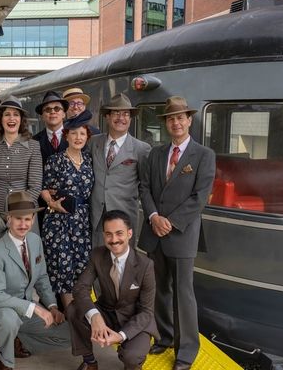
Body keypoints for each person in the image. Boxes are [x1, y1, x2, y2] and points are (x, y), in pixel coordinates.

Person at [139, 96, 216, 370]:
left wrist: (169, 222)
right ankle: (165, 337)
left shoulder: (204, 155)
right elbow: (145, 188)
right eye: (171, 118)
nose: (176, 122)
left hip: (182, 234)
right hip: (154, 232)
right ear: (166, 123)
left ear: (189, 120)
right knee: (159, 289)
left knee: (183, 294)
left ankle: (186, 353)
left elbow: (200, 197)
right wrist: (153, 217)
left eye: (181, 117)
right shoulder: (156, 153)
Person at [0, 191, 70, 370]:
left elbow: (42, 278)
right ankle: (5, 361)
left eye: (28, 219)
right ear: (8, 219)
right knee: (9, 320)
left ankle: (21, 341)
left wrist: (52, 307)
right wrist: (36, 308)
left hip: (27, 311)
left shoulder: (35, 241)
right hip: (0, 310)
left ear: (33, 219)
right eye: (18, 219)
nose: (23, 224)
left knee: (69, 335)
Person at [67, 210, 158, 370]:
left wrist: (121, 336)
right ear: (103, 235)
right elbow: (80, 288)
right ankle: (90, 362)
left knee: (132, 356)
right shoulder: (97, 255)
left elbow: (146, 312)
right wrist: (94, 316)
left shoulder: (146, 265)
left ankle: (133, 363)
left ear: (129, 234)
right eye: (108, 234)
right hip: (107, 312)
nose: (114, 240)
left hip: (134, 318)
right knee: (74, 309)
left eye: (119, 233)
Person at [40, 111, 94, 308]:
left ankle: (81, 315)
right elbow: (44, 188)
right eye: (74, 133)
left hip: (82, 221)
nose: (78, 137)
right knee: (63, 270)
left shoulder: (89, 161)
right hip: (59, 221)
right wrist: (51, 203)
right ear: (67, 136)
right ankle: (72, 319)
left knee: (82, 268)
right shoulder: (55, 161)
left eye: (82, 133)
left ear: (87, 136)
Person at [0, 96, 43, 248]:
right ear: (0, 119)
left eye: (16, 114)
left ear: (21, 120)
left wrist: (19, 216)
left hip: (24, 219)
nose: (11, 118)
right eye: (7, 114)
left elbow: (35, 187)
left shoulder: (33, 147)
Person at [88, 93, 151, 248]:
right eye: (116, 113)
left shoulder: (141, 149)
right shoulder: (93, 142)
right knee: (97, 261)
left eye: (125, 114)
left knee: (123, 264)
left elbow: (145, 186)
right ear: (107, 117)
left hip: (124, 217)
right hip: (96, 216)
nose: (121, 118)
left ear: (130, 119)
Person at [32, 91, 69, 226]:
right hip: (43, 207)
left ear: (64, 113)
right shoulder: (34, 141)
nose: (52, 112)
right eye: (47, 110)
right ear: (42, 116)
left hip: (69, 206)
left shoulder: (76, 138)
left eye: (57, 108)